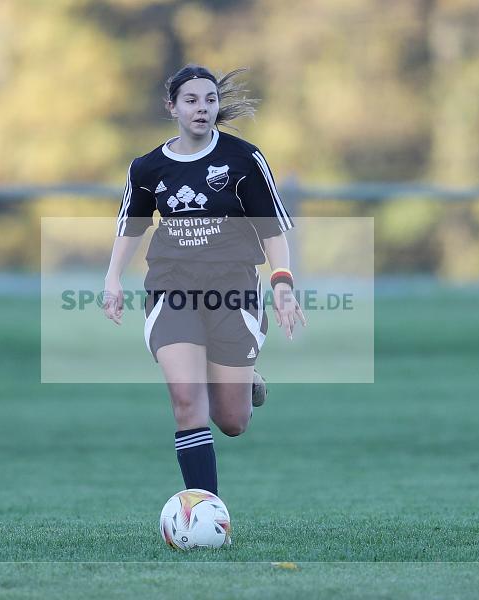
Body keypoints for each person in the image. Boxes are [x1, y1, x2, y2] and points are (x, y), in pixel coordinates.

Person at [103, 65, 306, 495]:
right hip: (170, 287)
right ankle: (206, 509)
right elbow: (131, 226)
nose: (202, 108)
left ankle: (243, 378)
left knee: (231, 422)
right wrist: (112, 278)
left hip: (233, 291)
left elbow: (272, 231)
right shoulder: (148, 167)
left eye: (210, 100)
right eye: (191, 100)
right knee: (186, 402)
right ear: (172, 106)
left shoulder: (243, 159)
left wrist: (283, 285)